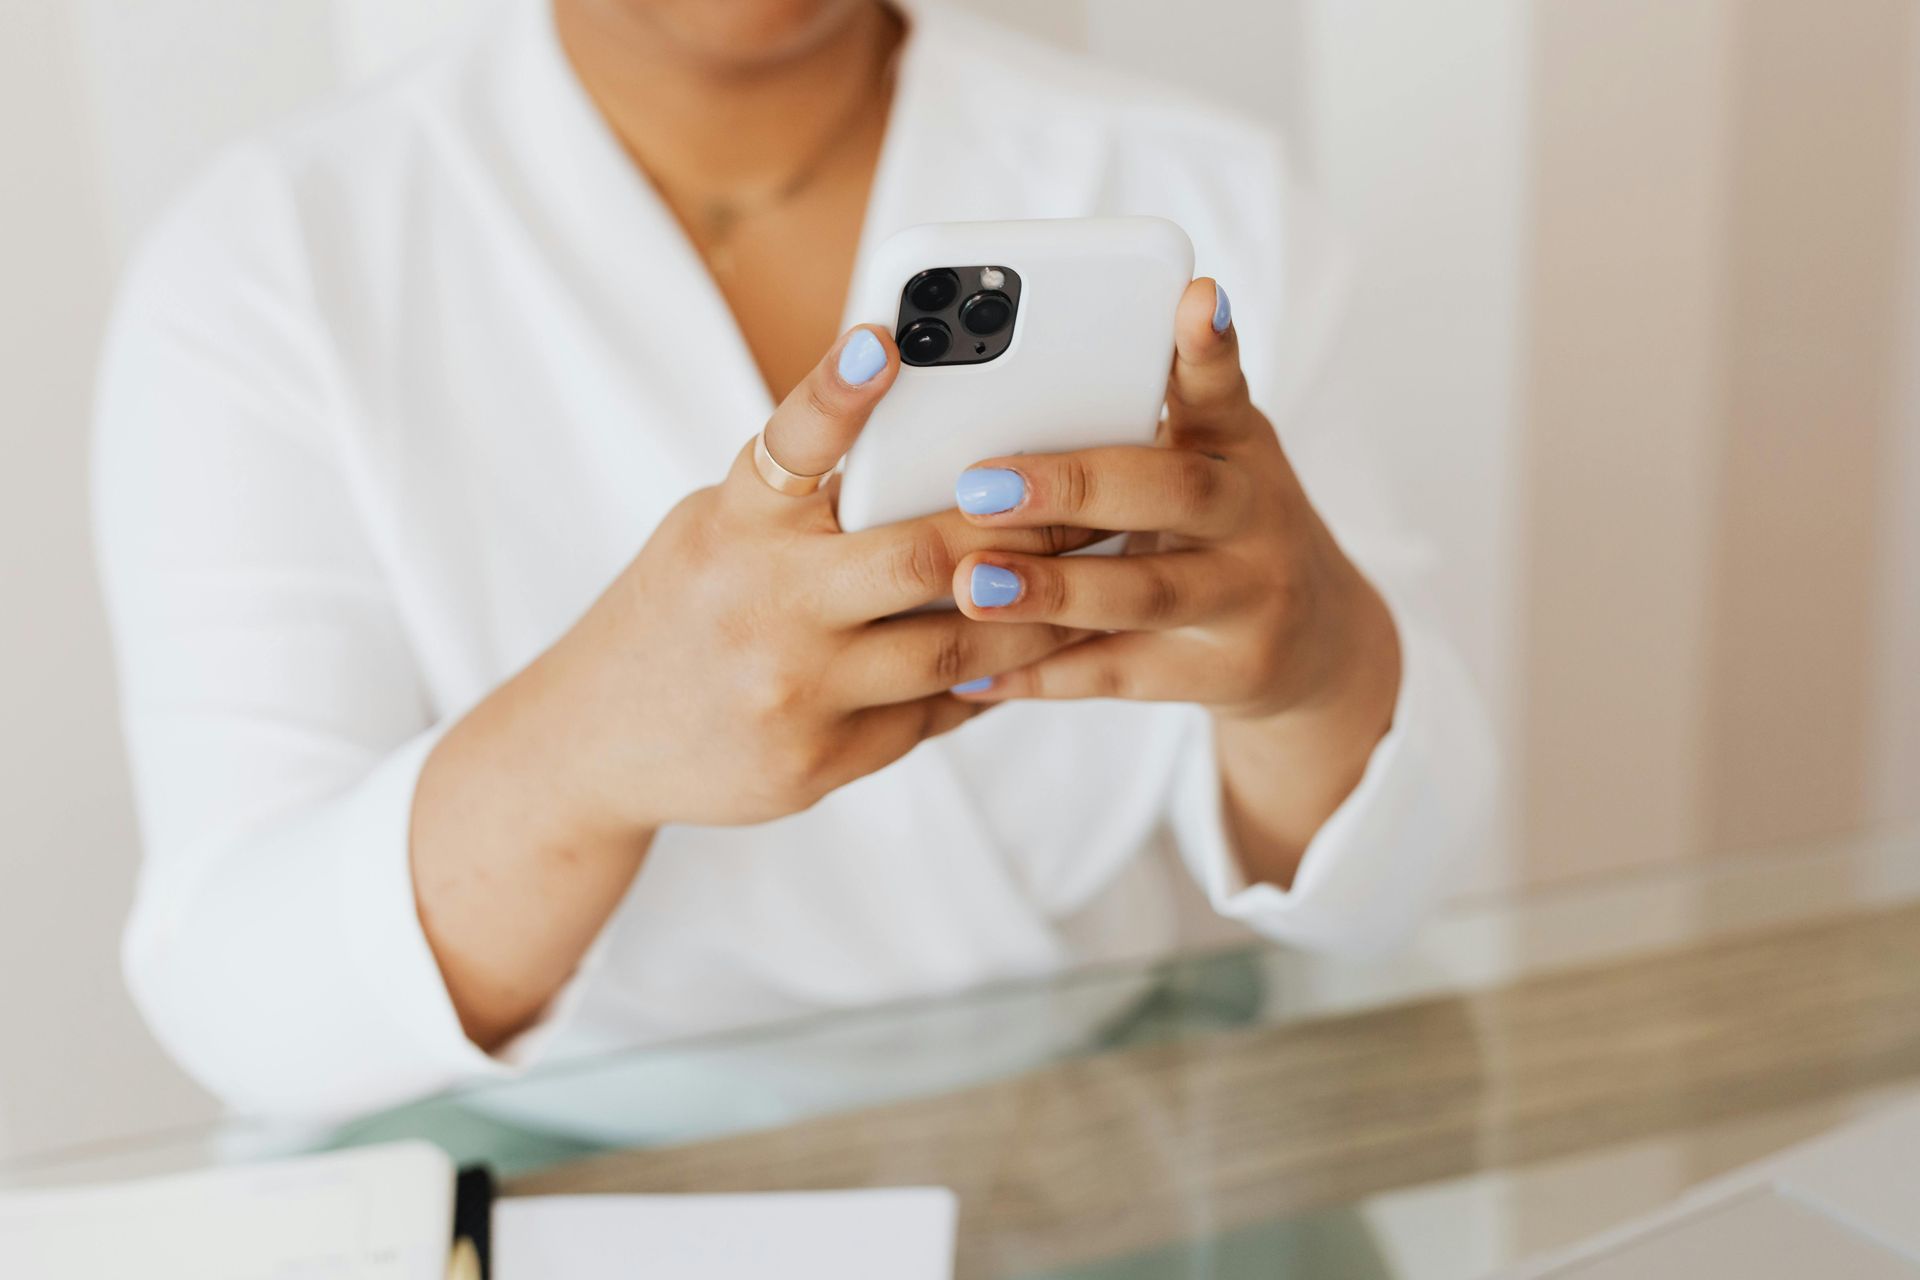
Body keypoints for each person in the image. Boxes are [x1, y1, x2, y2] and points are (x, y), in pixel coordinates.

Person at [94, 0, 1494, 1118]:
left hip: (1116, 1151)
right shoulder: (270, 260)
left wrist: (1312, 672)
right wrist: (582, 750)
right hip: (563, 1181)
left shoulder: (1193, 196)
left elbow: (1388, 896)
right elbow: (241, 1002)